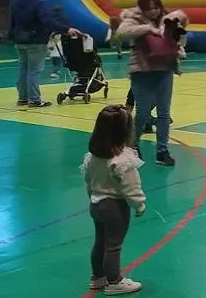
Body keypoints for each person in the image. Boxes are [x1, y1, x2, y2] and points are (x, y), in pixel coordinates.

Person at [116, 0, 187, 167]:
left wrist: (178, 48)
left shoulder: (167, 19)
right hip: (142, 71)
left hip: (165, 70)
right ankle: (132, 144)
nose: (154, 12)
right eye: (149, 9)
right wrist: (147, 29)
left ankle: (162, 151)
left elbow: (180, 34)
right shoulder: (133, 18)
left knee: (164, 113)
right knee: (142, 112)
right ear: (142, 9)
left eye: (156, 7)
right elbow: (121, 33)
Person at [82, 105, 146, 295]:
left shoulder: (92, 156)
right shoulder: (123, 160)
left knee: (99, 242)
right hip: (114, 208)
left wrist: (92, 196)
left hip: (96, 203)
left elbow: (88, 180)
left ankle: (98, 277)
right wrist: (139, 204)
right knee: (114, 245)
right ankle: (114, 281)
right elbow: (131, 186)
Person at [10, 0, 80, 107]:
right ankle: (35, 100)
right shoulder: (38, 3)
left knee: (23, 68)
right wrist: (66, 29)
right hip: (36, 41)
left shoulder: (17, 3)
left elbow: (13, 22)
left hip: (19, 40)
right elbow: (47, 20)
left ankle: (23, 98)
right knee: (34, 70)